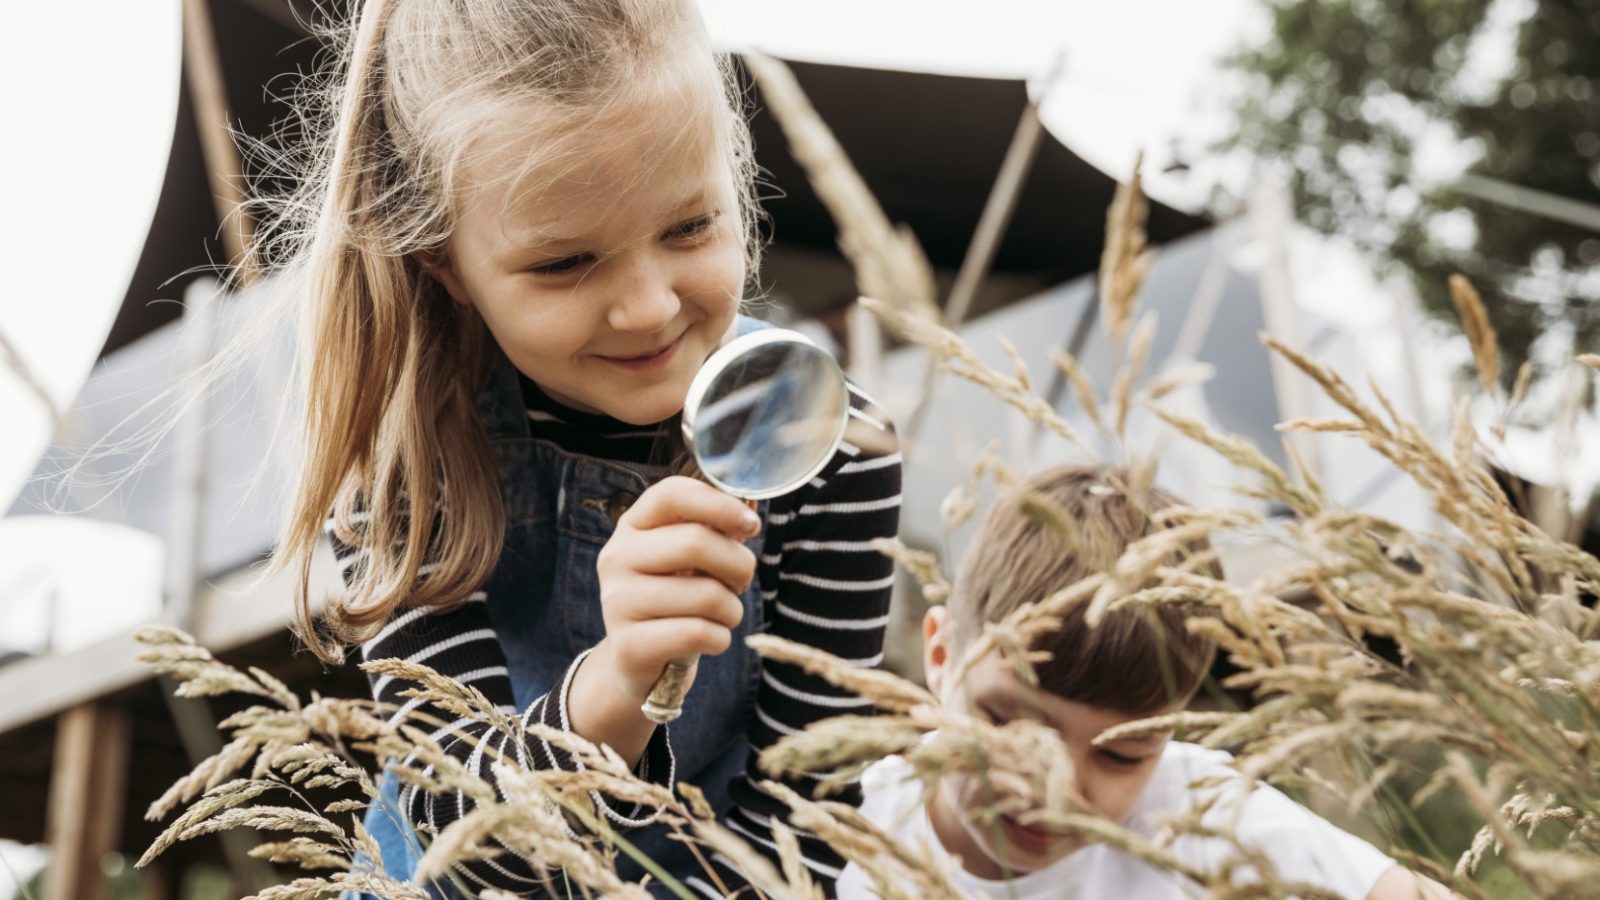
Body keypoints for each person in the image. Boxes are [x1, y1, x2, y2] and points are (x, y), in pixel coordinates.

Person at [258, 1, 901, 896]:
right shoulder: (401, 462)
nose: (646, 307)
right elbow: (467, 845)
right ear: (446, 261)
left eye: (689, 228)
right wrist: (622, 677)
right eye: (564, 264)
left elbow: (805, 828)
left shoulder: (837, 448)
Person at [835, 466, 1452, 900]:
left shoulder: (1202, 811)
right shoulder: (847, 838)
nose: (1055, 787)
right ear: (941, 656)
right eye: (1009, 724)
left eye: (1122, 755)